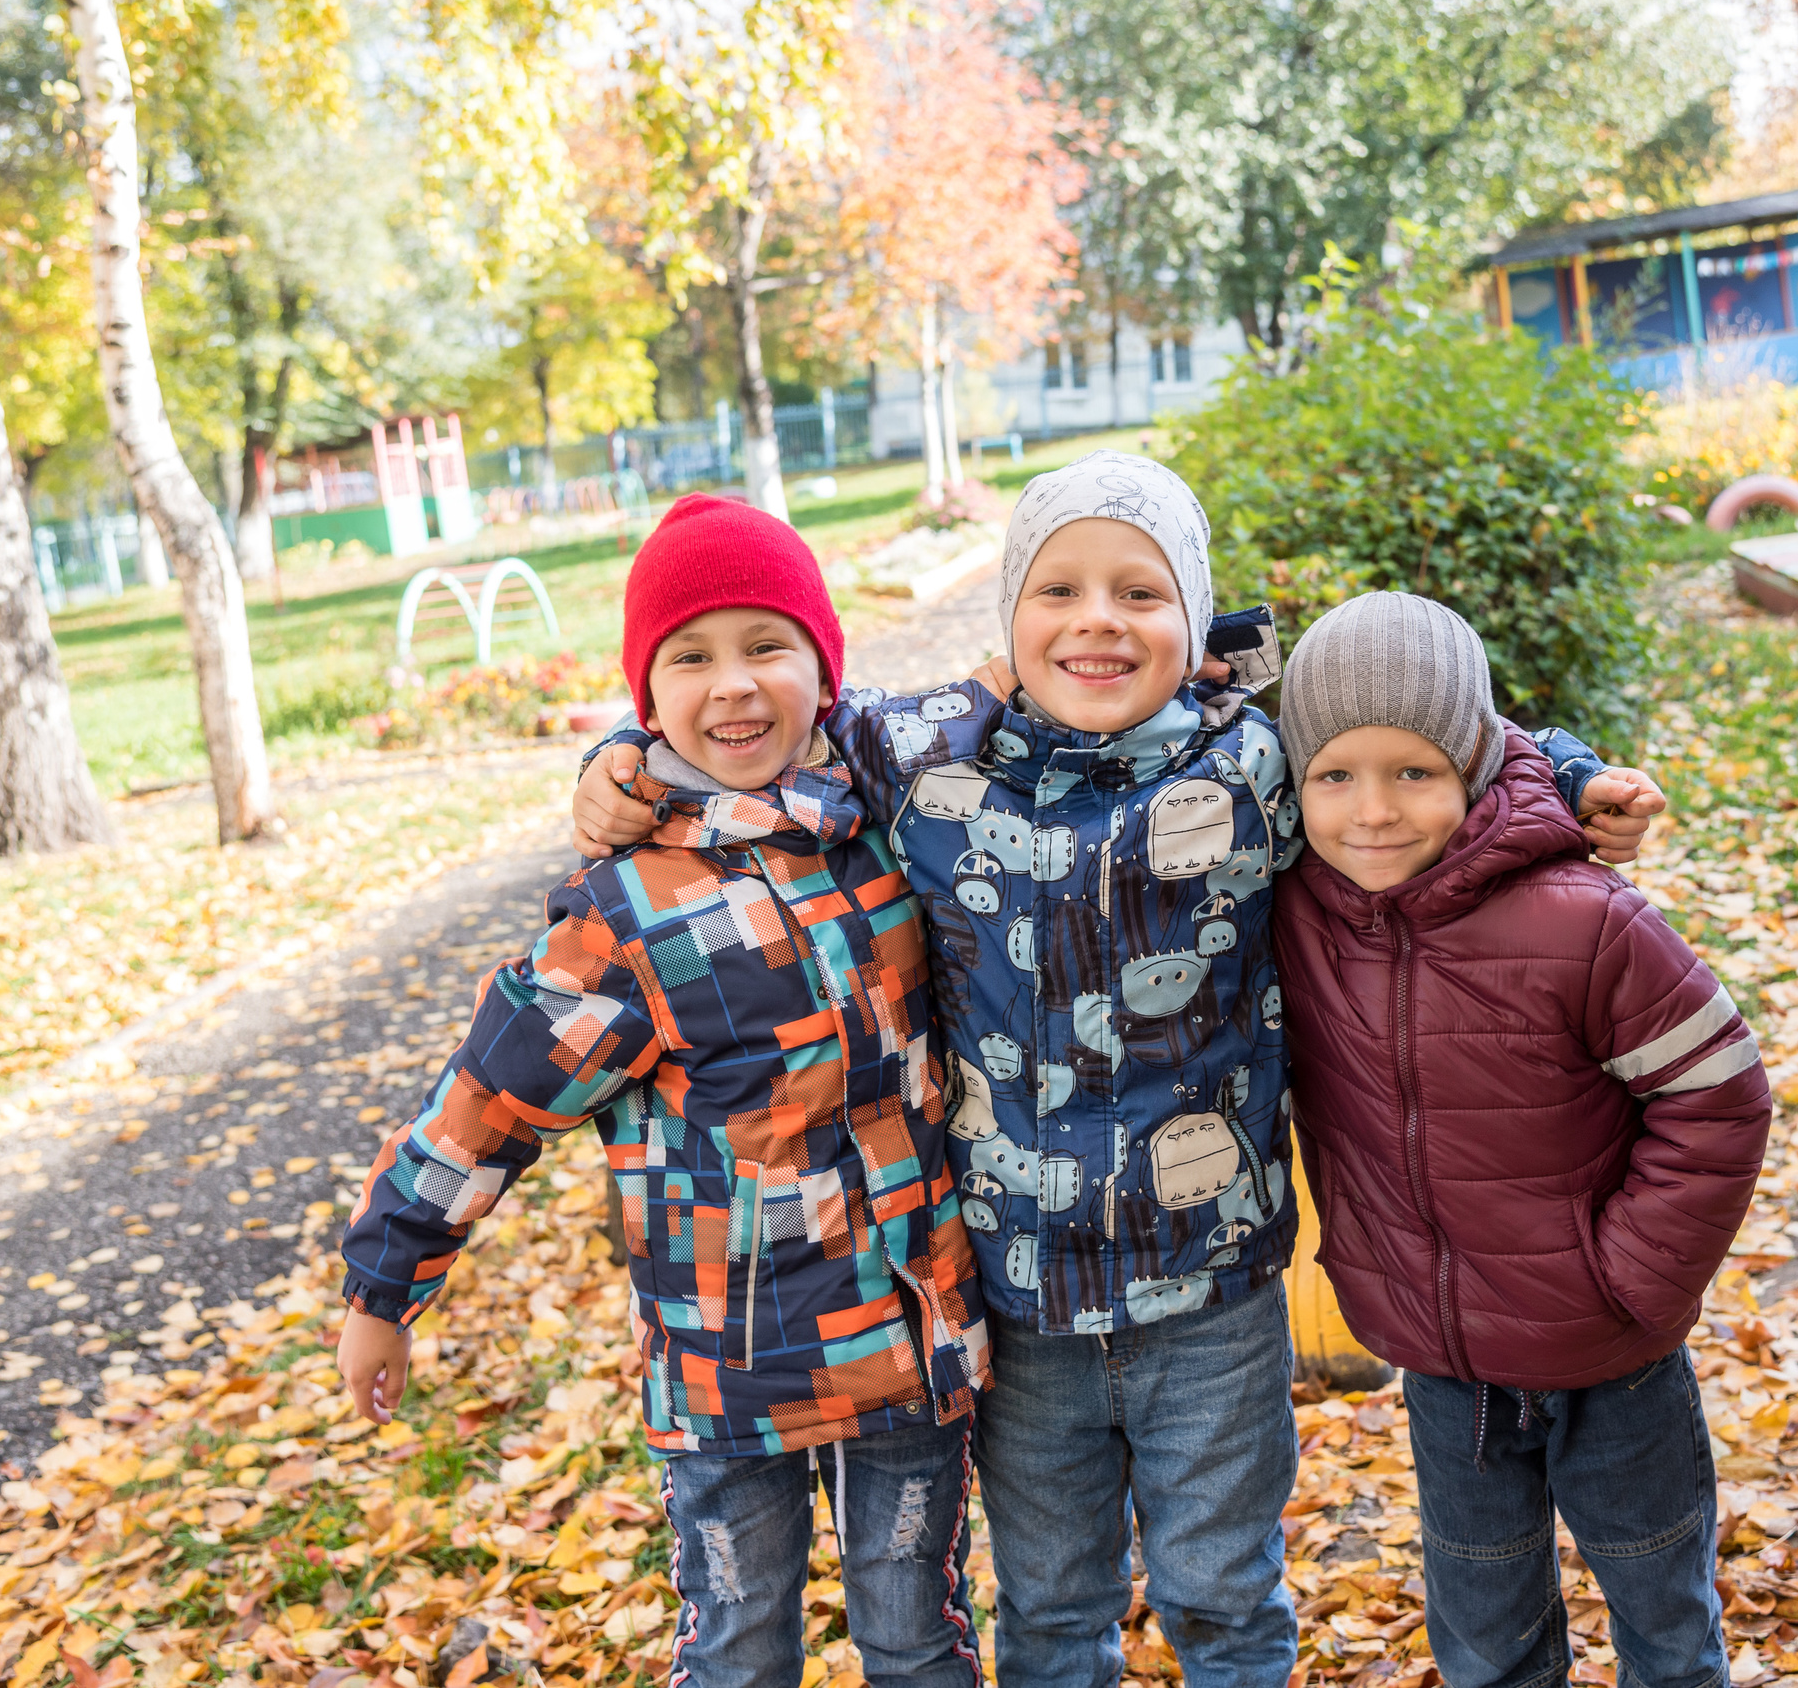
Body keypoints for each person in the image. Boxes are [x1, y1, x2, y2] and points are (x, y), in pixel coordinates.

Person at [572, 454, 1673, 1688]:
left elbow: (1422, 716)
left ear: (1193, 620)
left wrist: (1569, 771)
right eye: (1060, 589)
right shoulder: (922, 761)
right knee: (1049, 1611)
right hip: (1018, 1296)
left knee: (1223, 1593)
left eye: (1140, 593)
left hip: (1213, 1293)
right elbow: (749, 714)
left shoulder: (1254, 762)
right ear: (1010, 615)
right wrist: (623, 758)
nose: (1098, 619)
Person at [336, 494, 990, 1688]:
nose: (733, 685)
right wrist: (386, 1278)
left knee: (921, 1639)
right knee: (738, 1648)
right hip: (726, 1376)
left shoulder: (887, 829)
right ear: (647, 700)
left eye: (765, 647)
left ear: (824, 672)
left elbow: (1018, 696)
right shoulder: (626, 912)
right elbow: (489, 1096)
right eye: (691, 656)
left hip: (906, 1342)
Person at [1271, 590, 1771, 1688]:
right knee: (1486, 1635)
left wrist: (1629, 1278)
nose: (1372, 811)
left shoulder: (1585, 920)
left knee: (1663, 1618)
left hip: (1611, 1356)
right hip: (1445, 1368)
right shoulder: (1294, 911)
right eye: (1335, 775)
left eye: (1414, 771)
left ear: (1473, 765)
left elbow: (1720, 1095)